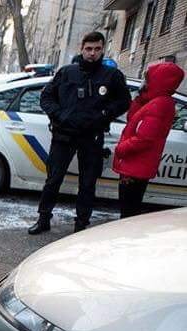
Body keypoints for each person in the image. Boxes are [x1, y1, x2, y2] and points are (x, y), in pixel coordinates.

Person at [28, 31, 131, 234]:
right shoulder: (67, 72)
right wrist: (59, 115)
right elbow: (46, 97)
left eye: (97, 49)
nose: (92, 53)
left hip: (91, 137)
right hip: (63, 135)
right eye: (88, 49)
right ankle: (43, 218)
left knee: (87, 183)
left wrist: (103, 115)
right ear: (81, 49)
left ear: (103, 49)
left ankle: (81, 225)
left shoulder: (112, 76)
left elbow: (123, 102)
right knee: (53, 179)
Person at [113, 61, 185, 218]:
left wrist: (121, 149)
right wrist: (141, 98)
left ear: (159, 80)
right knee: (128, 209)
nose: (145, 82)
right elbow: (133, 118)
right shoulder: (155, 102)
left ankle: (126, 240)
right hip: (135, 167)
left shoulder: (159, 104)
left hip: (135, 167)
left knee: (128, 212)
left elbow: (144, 138)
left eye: (148, 79)